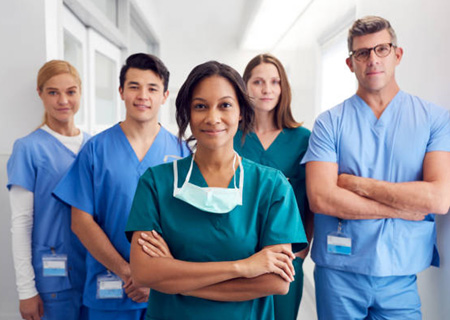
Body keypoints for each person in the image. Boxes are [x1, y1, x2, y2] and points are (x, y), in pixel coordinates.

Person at [125, 61, 308, 320]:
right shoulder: (156, 182)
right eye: (200, 106)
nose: (213, 118)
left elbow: (276, 282)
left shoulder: (271, 186)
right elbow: (144, 273)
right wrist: (243, 267)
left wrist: (177, 279)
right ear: (188, 112)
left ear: (242, 112)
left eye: (225, 105)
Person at [301, 16, 450, 319]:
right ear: (350, 63)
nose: (373, 60)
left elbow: (437, 199)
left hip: (401, 275)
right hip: (338, 273)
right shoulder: (330, 123)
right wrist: (400, 208)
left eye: (381, 49)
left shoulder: (433, 119)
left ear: (398, 54)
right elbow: (322, 198)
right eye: (362, 53)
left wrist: (357, 185)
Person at [53, 53, 190, 320]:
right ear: (121, 92)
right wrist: (129, 272)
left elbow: (189, 225)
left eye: (152, 88)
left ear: (164, 95)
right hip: (109, 287)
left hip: (164, 292)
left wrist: (155, 278)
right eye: (134, 86)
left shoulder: (182, 152)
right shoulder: (96, 149)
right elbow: (80, 221)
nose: (143, 95)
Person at [7, 60, 90, 320]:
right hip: (51, 284)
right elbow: (21, 224)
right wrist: (25, 291)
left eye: (70, 91)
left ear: (80, 93)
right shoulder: (28, 149)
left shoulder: (93, 146)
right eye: (53, 92)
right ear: (40, 94)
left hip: (95, 274)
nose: (63, 100)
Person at [234, 53, 313, 320]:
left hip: (285, 257)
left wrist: (302, 250)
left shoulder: (303, 139)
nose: (267, 89)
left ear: (283, 88)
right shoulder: (231, 137)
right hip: (237, 255)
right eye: (258, 82)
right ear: (244, 86)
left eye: (275, 82)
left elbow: (311, 199)